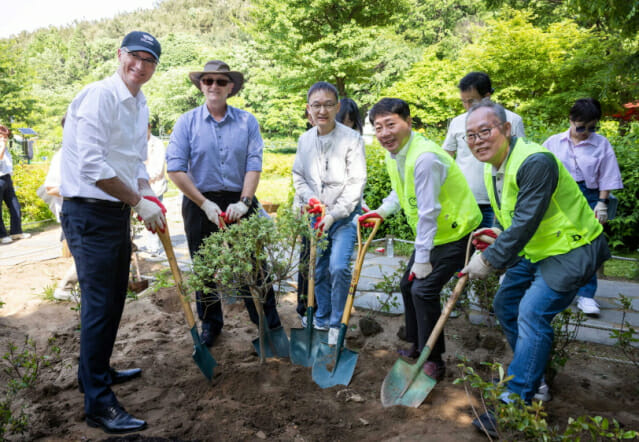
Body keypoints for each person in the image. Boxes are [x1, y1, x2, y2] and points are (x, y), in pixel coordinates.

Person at [461, 100, 610, 437]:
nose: (477, 140)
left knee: (532, 312)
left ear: (506, 130)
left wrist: (487, 259)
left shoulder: (535, 161)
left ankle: (515, 400)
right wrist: (497, 232)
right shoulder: (493, 164)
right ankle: (536, 372)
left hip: (573, 247)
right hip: (538, 248)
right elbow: (514, 215)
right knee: (505, 305)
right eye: (470, 135)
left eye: (485, 131)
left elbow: (527, 219)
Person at [60, 31, 166, 433]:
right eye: (134, 57)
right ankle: (98, 404)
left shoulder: (139, 105)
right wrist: (136, 203)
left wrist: (148, 195)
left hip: (115, 211)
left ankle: (95, 372)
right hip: (89, 213)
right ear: (120, 55)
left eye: (149, 61)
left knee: (112, 300)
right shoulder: (98, 97)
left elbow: (134, 162)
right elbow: (91, 166)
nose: (140, 66)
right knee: (100, 306)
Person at [360, 98, 481, 379]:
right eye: (378, 127)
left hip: (457, 233)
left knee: (423, 291)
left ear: (408, 122)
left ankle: (434, 359)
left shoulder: (424, 158)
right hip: (435, 234)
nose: (384, 133)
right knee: (408, 285)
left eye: (391, 124)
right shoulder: (398, 154)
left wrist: (423, 258)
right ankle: (418, 343)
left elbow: (428, 212)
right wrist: (382, 211)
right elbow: (400, 192)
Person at [166, 60, 283, 347]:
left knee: (254, 265)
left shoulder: (247, 121)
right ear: (201, 85)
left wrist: (245, 201)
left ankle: (268, 324)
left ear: (231, 87)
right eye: (208, 81)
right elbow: (175, 169)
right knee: (205, 266)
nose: (214, 86)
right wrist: (204, 203)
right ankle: (211, 325)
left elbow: (253, 164)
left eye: (220, 81)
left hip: (239, 199)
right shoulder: (186, 122)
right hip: (199, 202)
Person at [292, 82, 367, 345]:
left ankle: (337, 322)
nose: (322, 110)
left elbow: (356, 183)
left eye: (327, 104)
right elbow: (298, 176)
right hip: (316, 214)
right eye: (316, 105)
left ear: (337, 106)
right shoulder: (305, 139)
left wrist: (334, 215)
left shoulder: (352, 139)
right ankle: (321, 318)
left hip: (344, 217)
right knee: (318, 269)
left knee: (338, 267)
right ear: (308, 109)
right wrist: (309, 199)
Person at [543, 98, 623, 315]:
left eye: (591, 127)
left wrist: (602, 203)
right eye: (580, 127)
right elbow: (542, 170)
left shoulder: (601, 144)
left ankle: (586, 295)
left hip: (589, 196)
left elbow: (608, 175)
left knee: (588, 246)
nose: (585, 131)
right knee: (557, 243)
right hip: (559, 197)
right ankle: (556, 291)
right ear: (570, 120)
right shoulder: (553, 143)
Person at [443, 72, 525, 228]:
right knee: (466, 251)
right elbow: (446, 157)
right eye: (463, 102)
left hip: (499, 202)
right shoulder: (457, 122)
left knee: (493, 248)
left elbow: (520, 158)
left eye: (472, 102)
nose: (467, 107)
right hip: (465, 200)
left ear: (487, 97)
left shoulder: (512, 120)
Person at [138, 123, 168, 260]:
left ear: (149, 127)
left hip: (154, 188)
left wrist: (142, 178)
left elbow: (157, 169)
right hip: (136, 189)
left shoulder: (157, 144)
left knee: (155, 217)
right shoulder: (135, 142)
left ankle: (155, 247)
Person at [0, 125, 31, 244]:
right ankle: (2, 235)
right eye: (2, 136)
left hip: (7, 178)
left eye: (6, 136)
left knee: (15, 206)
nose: (4, 139)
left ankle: (16, 232)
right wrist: (2, 146)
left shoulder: (5, 147)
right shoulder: (2, 147)